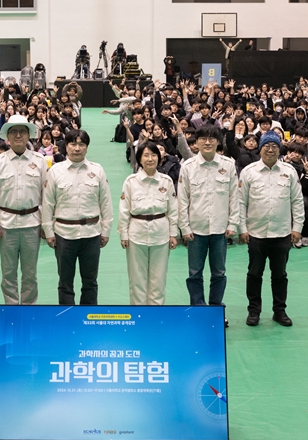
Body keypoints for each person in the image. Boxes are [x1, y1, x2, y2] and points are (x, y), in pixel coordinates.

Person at [238, 130, 303, 327]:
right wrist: (242, 228)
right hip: (256, 233)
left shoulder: (289, 171)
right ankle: (254, 311)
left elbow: (297, 201)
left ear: (279, 149)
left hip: (282, 232)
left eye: (275, 146)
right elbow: (241, 202)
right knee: (254, 274)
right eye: (266, 145)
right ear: (260, 149)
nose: (271, 149)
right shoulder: (248, 172)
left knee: (280, 275)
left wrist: (297, 227)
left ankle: (279, 310)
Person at [42, 129, 113, 306]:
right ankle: (68, 321)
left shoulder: (97, 170)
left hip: (91, 234)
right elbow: (48, 203)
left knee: (90, 282)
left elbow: (106, 202)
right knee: (65, 282)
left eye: (81, 144)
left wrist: (106, 231)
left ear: (87, 148)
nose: (77, 148)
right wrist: (48, 232)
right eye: (73, 144)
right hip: (64, 234)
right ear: (66, 146)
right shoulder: (55, 171)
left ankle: (87, 320)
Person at [0, 115, 48, 305]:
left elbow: (46, 196)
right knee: (8, 274)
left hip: (32, 224)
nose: (18, 135)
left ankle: (29, 311)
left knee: (30, 274)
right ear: (7, 137)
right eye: (14, 132)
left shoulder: (40, 161)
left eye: (22, 131)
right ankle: (12, 311)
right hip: (6, 225)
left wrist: (46, 224)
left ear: (29, 135)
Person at [178, 124, 239, 320]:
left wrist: (233, 223)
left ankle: (215, 310)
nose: (207, 142)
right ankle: (198, 310)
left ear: (218, 142)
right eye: (203, 138)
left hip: (220, 230)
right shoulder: (187, 167)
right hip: (196, 230)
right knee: (195, 273)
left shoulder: (228, 165)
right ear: (196, 142)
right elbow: (182, 200)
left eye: (212, 138)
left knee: (219, 273)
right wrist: (184, 228)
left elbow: (234, 197)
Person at [119, 142, 183, 306]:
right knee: (137, 279)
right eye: (146, 155)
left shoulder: (166, 181)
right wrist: (124, 234)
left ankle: (156, 316)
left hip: (160, 232)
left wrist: (173, 234)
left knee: (158, 279)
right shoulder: (131, 181)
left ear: (159, 157)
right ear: (139, 159)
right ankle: (138, 316)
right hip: (136, 233)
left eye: (153, 155)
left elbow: (172, 210)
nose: (150, 159)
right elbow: (124, 209)